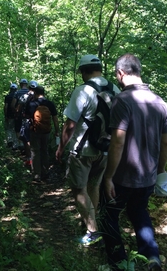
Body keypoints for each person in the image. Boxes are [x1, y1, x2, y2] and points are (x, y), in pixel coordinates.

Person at [101, 53, 167, 271]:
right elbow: (166, 143)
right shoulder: (159, 102)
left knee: (108, 215)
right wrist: (160, 172)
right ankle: (151, 258)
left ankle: (120, 262)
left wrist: (109, 177)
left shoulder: (122, 101)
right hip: (148, 176)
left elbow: (117, 142)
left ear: (120, 73)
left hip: (122, 176)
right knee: (139, 212)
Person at [55, 54, 120, 246]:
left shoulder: (82, 90)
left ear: (83, 71)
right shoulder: (114, 89)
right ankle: (93, 220)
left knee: (78, 189)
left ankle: (92, 230)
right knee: (94, 185)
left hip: (82, 150)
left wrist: (60, 148)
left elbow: (70, 125)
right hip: (106, 148)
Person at [25, 85, 59, 181]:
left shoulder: (32, 104)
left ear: (35, 93)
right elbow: (55, 120)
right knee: (44, 150)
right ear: (44, 93)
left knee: (35, 151)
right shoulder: (50, 104)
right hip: (46, 131)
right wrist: (57, 131)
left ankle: (37, 174)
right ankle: (45, 172)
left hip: (34, 131)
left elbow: (27, 117)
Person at [11, 79, 29, 150]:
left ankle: (21, 144)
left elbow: (12, 105)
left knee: (18, 130)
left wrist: (16, 112)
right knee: (27, 131)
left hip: (19, 115)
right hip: (29, 116)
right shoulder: (30, 93)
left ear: (20, 84)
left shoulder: (17, 93)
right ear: (26, 85)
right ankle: (27, 146)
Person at [4, 83, 19, 148]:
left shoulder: (8, 96)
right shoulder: (18, 96)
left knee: (9, 128)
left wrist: (6, 115)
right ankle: (15, 144)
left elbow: (6, 107)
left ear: (10, 89)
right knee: (15, 129)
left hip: (9, 115)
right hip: (16, 115)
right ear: (16, 89)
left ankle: (10, 141)